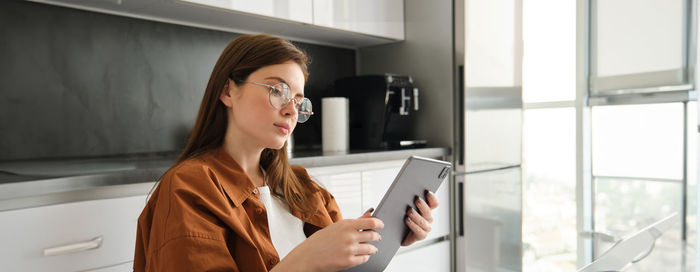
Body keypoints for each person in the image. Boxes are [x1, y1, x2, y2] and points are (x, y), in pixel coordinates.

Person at [133, 34, 439, 272]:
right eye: (277, 90)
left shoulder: (304, 187)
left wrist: (383, 241)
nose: (291, 109)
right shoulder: (187, 190)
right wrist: (305, 260)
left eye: (299, 100)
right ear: (228, 91)